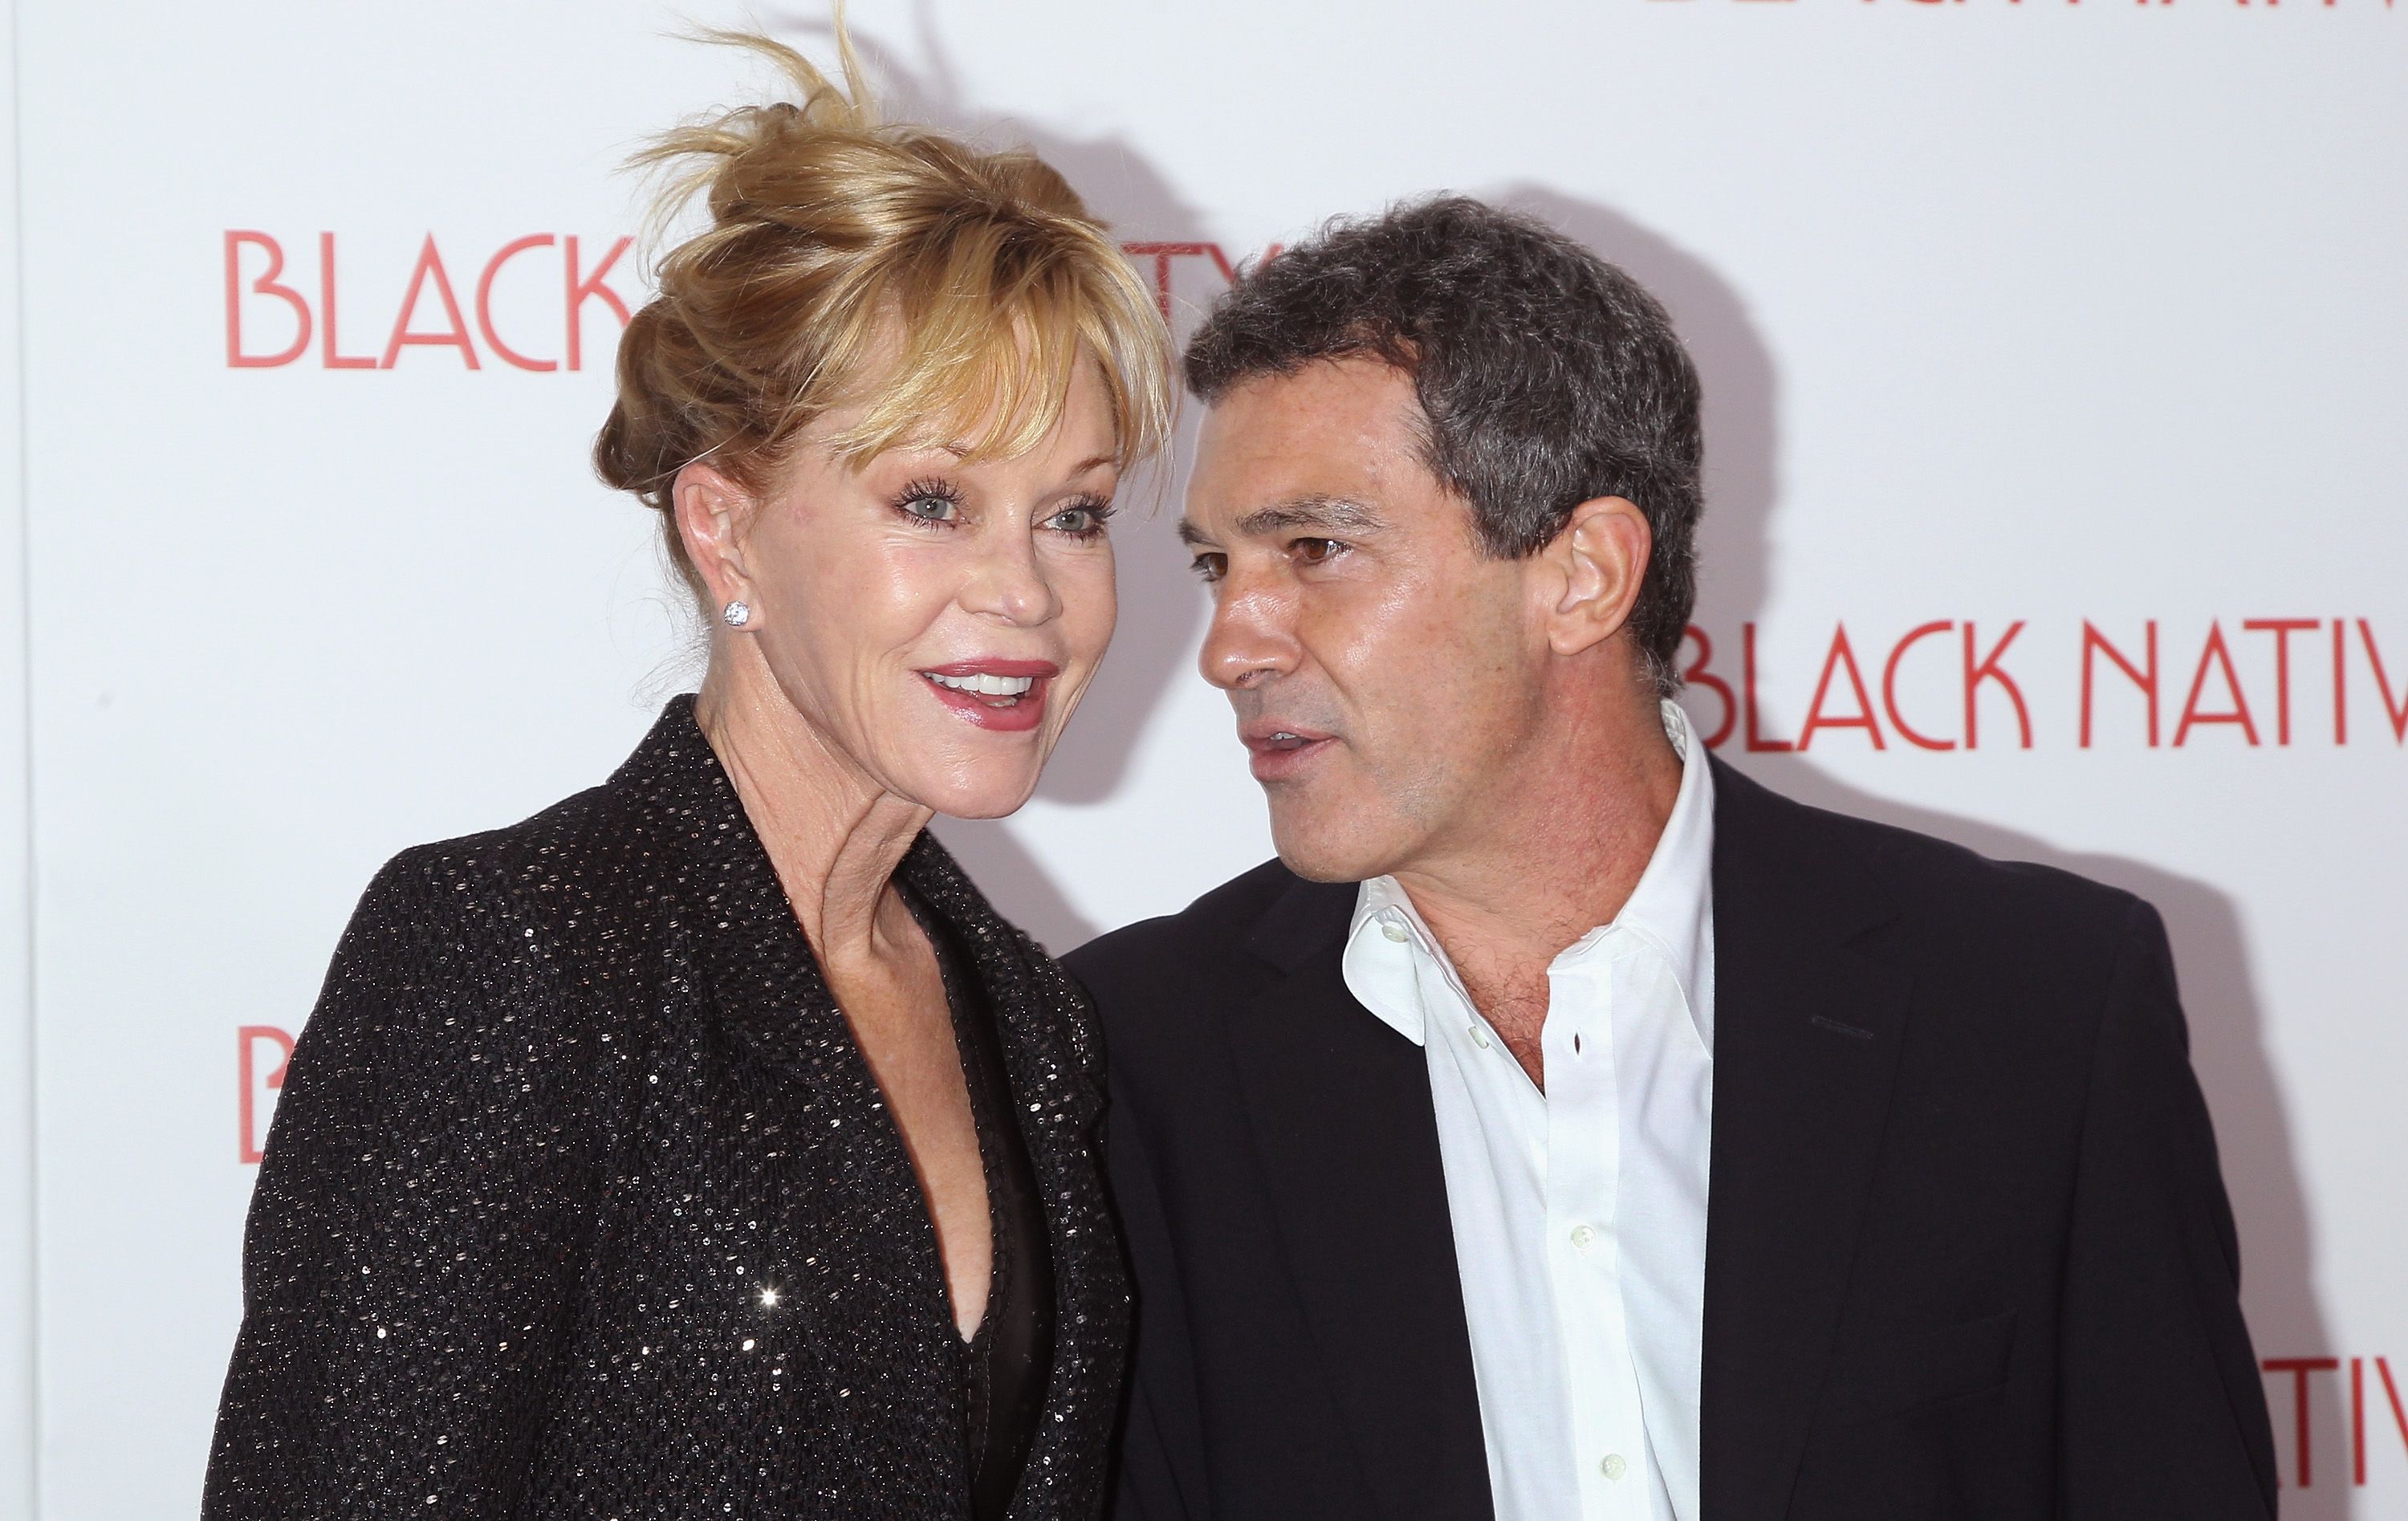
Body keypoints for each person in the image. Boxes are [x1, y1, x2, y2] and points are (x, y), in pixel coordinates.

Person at [1067, 197, 2276, 1520]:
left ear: (1584, 576)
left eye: (1318, 550)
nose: (1232, 646)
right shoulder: (1122, 1061)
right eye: (1215, 566)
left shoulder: (2031, 1005)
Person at [202, 30, 1171, 1520]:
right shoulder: (517, 954)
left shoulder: (1026, 1017)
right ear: (727, 531)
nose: (1024, 594)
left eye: (1075, 515)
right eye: (934, 499)